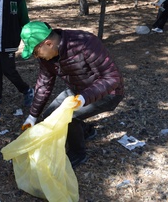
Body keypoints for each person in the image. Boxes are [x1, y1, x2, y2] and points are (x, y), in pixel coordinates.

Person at [20, 21, 125, 168]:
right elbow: (44, 84)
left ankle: (78, 153)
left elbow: (112, 78)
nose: (36, 56)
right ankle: (86, 131)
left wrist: (84, 98)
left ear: (48, 43)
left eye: (36, 52)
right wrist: (32, 116)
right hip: (79, 90)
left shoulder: (85, 42)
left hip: (108, 92)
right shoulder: (48, 58)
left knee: (68, 116)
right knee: (50, 116)